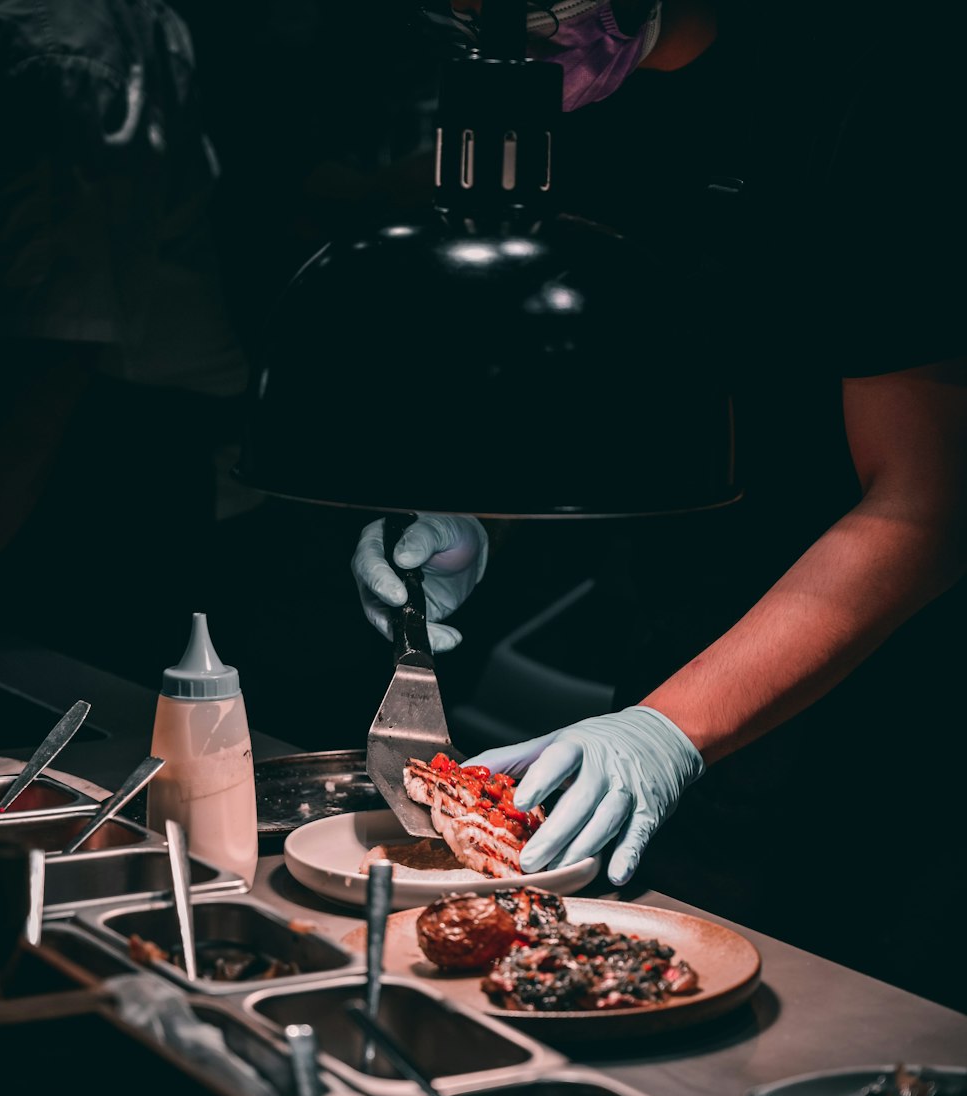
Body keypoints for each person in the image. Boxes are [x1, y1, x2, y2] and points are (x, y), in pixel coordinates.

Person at [352, 0, 967, 1006]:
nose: (504, 24)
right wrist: (482, 520)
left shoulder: (885, 90)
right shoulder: (581, 110)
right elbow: (608, 391)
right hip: (675, 645)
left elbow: (927, 506)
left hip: (892, 719)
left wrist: (665, 733)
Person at [0, 0, 248, 683]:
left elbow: (51, 357)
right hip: (73, 438)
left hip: (108, 458)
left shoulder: (54, 35)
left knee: (70, 728)